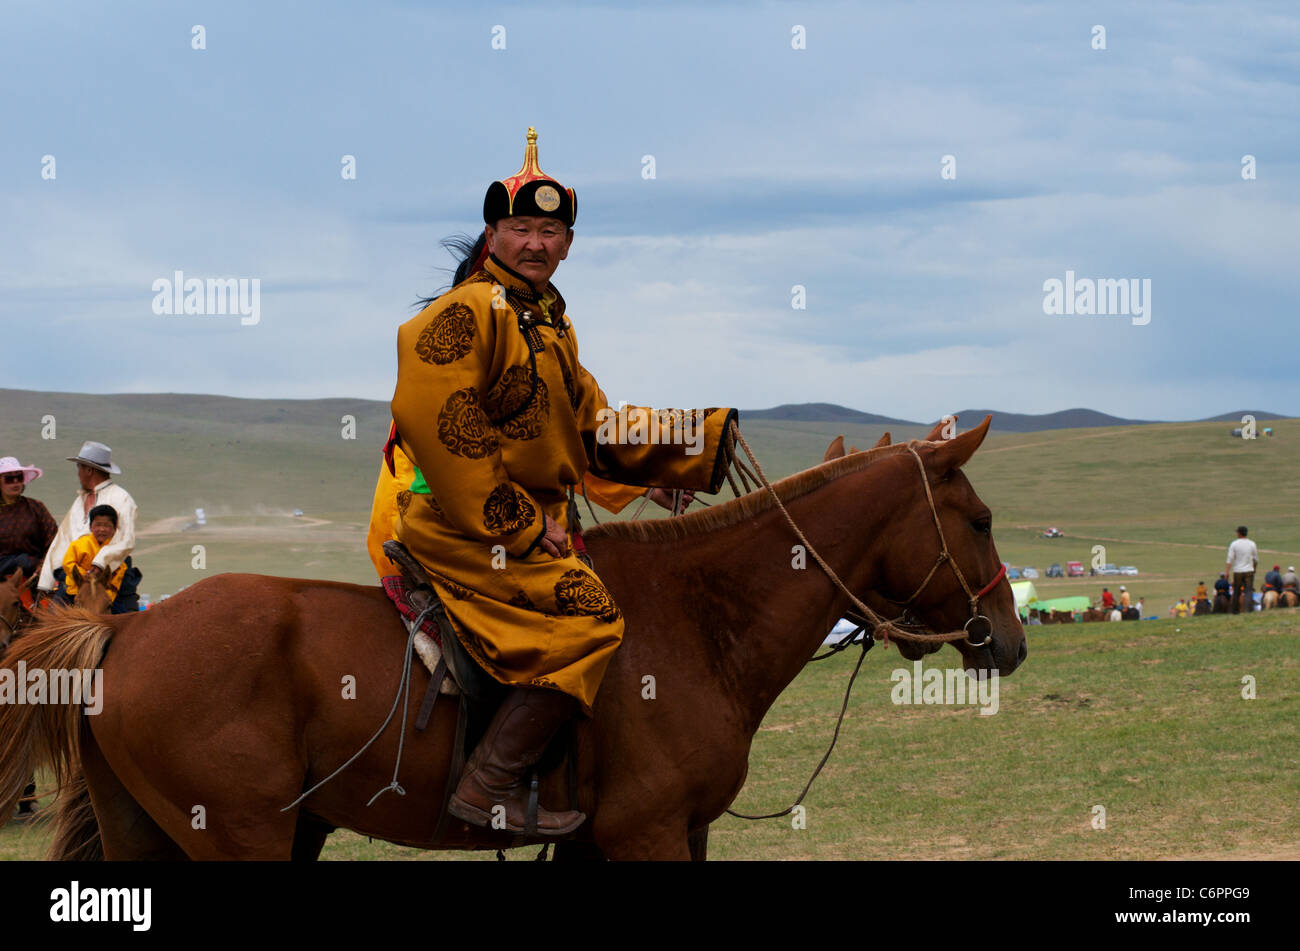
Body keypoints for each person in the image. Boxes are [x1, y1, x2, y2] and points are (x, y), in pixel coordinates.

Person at [386, 128, 737, 836]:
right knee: (592, 617)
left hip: (518, 530)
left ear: (569, 244)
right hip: (465, 532)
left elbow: (596, 430)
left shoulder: (549, 326)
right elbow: (450, 435)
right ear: (492, 235)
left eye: (550, 230)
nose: (535, 243)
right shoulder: (461, 317)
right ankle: (489, 783)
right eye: (520, 228)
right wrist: (522, 522)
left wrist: (697, 441)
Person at [37, 441, 141, 613]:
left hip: (111, 573)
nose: (78, 474)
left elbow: (126, 540)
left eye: (79, 468)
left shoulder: (121, 497)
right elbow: (62, 541)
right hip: (76, 574)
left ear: (89, 470)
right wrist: (46, 582)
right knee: (52, 620)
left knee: (127, 624)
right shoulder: (79, 501)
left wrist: (100, 563)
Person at [0, 457, 58, 594]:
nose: (15, 482)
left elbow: (54, 540)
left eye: (19, 478)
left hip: (32, 571)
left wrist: (42, 566)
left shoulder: (36, 507)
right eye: (9, 479)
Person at [61, 505, 128, 603]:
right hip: (76, 589)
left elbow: (120, 570)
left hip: (103, 593)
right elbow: (68, 563)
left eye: (107, 525)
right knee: (54, 612)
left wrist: (107, 588)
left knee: (122, 614)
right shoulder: (78, 544)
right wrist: (85, 576)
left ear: (114, 529)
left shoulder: (116, 549)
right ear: (90, 527)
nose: (102, 529)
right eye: (98, 525)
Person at [1225, 526, 1258, 614]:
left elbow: (1229, 559)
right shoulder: (1252, 544)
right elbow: (1255, 559)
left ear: (1239, 533)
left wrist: (1227, 572)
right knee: (1248, 591)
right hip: (1249, 571)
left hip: (1238, 571)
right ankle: (1248, 609)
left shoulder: (1234, 544)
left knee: (1236, 591)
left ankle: (1235, 611)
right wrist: (1254, 568)